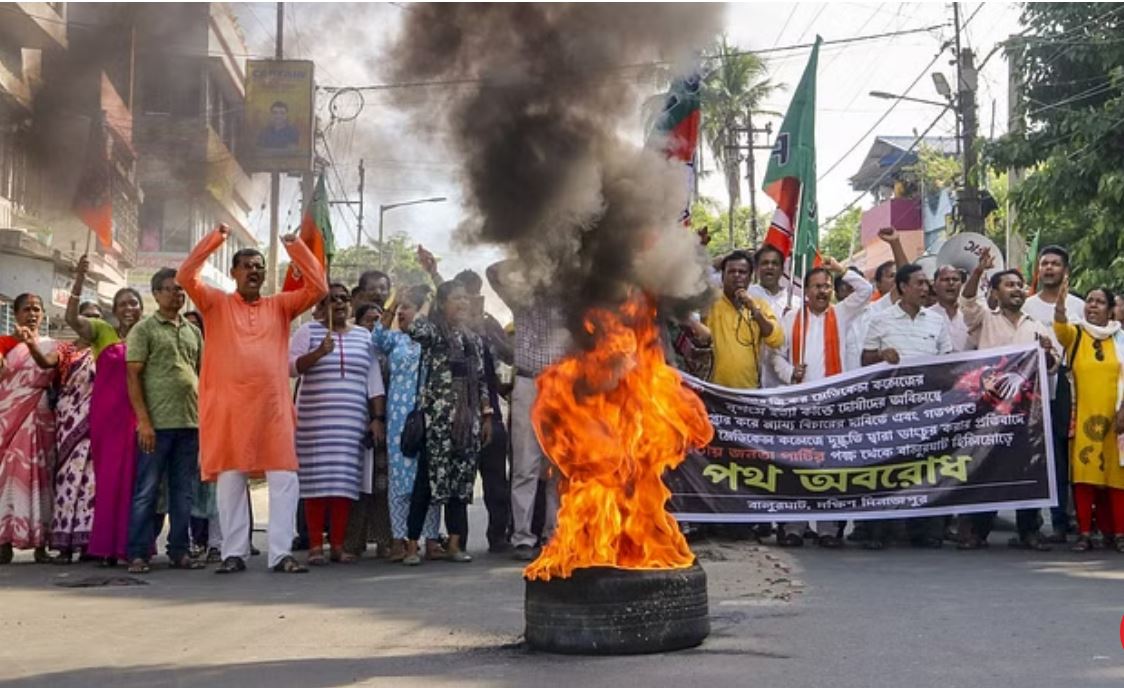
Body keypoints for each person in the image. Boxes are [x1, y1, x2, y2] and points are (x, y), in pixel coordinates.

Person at [177, 225, 327, 574]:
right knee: (231, 480)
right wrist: (215, 239)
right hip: (229, 408)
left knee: (284, 478)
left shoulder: (281, 305)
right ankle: (234, 553)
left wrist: (295, 247)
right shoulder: (215, 303)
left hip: (272, 408)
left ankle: (281, 553)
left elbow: (318, 287)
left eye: (259, 266)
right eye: (246, 266)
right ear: (233, 273)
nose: (254, 271)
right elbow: (185, 275)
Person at [957, 251, 1057, 550]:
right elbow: (967, 302)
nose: (1017, 290)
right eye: (1009, 285)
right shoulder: (984, 320)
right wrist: (978, 271)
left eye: (1019, 285)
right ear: (995, 292)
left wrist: (1047, 353)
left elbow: (1052, 366)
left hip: (1028, 413)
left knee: (1029, 468)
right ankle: (978, 531)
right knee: (986, 467)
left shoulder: (1037, 325)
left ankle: (1029, 531)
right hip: (990, 411)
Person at [770, 258, 872, 548]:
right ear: (806, 291)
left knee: (830, 469)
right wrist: (790, 373)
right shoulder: (791, 318)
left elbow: (865, 290)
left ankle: (828, 530)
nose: (822, 291)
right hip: (799, 404)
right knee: (797, 467)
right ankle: (794, 528)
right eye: (816, 286)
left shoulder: (841, 314)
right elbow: (775, 355)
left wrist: (840, 269)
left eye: (827, 286)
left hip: (832, 404)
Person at [290, 283, 386, 566]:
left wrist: (377, 418)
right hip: (314, 423)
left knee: (345, 484)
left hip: (351, 423)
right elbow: (290, 367)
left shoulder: (363, 336)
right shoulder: (308, 331)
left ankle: (338, 546)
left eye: (344, 298)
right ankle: (315, 546)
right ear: (321, 307)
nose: (340, 303)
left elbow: (374, 381)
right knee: (315, 484)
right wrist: (318, 353)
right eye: (333, 299)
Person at [862, 262, 952, 550]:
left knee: (927, 468)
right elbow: (864, 360)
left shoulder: (937, 321)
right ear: (903, 287)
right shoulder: (880, 319)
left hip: (927, 409)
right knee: (889, 468)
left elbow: (949, 361)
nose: (926, 288)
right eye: (919, 283)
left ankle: (925, 530)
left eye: (926, 283)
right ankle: (879, 530)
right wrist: (881, 355)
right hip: (892, 409)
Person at [487, 259, 571, 561]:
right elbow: (493, 272)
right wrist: (530, 251)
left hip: (561, 388)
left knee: (559, 466)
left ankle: (553, 535)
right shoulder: (522, 300)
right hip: (529, 384)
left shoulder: (572, 301)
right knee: (525, 466)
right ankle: (523, 538)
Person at [122, 268, 205, 573]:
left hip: (189, 424)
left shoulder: (193, 331)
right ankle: (137, 553)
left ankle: (179, 551)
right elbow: (133, 376)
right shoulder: (144, 329)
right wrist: (143, 422)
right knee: (147, 491)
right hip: (156, 426)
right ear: (156, 294)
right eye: (170, 289)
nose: (176, 295)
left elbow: (201, 375)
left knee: (183, 492)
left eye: (181, 290)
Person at [403, 280, 491, 565]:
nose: (463, 303)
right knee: (425, 484)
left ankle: (454, 544)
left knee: (461, 484)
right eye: (456, 299)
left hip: (467, 423)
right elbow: (414, 328)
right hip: (438, 423)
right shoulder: (434, 333)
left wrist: (486, 415)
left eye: (465, 298)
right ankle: (411, 547)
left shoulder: (473, 339)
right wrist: (429, 300)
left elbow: (481, 380)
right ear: (443, 304)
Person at [67, 260, 144, 567]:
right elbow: (71, 319)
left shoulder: (148, 333)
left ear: (141, 308)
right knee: (109, 480)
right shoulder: (102, 331)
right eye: (123, 304)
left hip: (139, 415)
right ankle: (105, 547)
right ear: (114, 309)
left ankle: (132, 546)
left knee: (135, 482)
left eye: (133, 303)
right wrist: (79, 280)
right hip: (107, 417)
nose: (128, 308)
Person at [372, 285, 443, 563]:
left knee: (428, 478)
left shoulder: (432, 339)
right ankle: (399, 538)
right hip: (399, 420)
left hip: (428, 416)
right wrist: (393, 303)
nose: (402, 312)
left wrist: (426, 305)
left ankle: (431, 539)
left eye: (408, 308)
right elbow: (377, 336)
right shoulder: (395, 340)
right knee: (400, 480)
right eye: (401, 308)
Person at [1054, 280, 1124, 553]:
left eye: (1100, 302)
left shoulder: (1121, 339)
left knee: (1116, 479)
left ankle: (1117, 534)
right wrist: (1060, 305)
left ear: (1111, 309)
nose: (1093, 306)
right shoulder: (1077, 335)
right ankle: (1084, 533)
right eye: (1090, 301)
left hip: (1117, 419)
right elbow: (1060, 328)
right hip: (1082, 417)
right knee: (1084, 476)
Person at [1023, 245, 1085, 542]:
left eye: (1055, 264)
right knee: (1033, 458)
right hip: (1031, 391)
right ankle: (1029, 524)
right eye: (1044, 263)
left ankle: (1063, 521)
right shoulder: (1026, 306)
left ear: (1065, 270)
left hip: (1066, 390)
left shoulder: (1078, 306)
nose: (1048, 268)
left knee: (1062, 458)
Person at [0, 294, 60, 564]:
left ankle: (41, 544)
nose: (32, 314)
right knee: (8, 479)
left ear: (43, 315)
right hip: (9, 418)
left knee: (43, 478)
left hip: (42, 416)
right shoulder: (4, 343)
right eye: (26, 309)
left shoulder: (52, 345)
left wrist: (31, 344)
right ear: (15, 314)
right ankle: (4, 542)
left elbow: (50, 367)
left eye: (37, 309)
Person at [344, 269, 394, 557]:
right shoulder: (349, 335)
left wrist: (382, 417)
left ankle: (385, 540)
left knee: (382, 483)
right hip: (354, 417)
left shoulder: (394, 336)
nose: (378, 293)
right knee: (356, 482)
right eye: (373, 288)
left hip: (386, 418)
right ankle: (353, 541)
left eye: (383, 288)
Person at [49, 302, 103, 563]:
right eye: (87, 316)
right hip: (68, 422)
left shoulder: (106, 349)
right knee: (67, 482)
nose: (92, 321)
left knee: (92, 485)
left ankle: (88, 543)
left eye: (97, 317)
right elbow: (49, 371)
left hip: (97, 425)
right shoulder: (65, 351)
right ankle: (64, 546)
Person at [705, 250, 784, 390]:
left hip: (749, 391)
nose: (737, 276)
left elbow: (776, 340)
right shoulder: (710, 303)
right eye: (731, 271)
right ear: (722, 276)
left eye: (742, 272)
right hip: (715, 391)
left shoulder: (759, 305)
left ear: (750, 278)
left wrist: (755, 310)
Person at [929, 265, 972, 352]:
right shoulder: (927, 316)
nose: (951, 283)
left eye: (955, 279)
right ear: (934, 287)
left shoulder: (972, 315)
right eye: (945, 280)